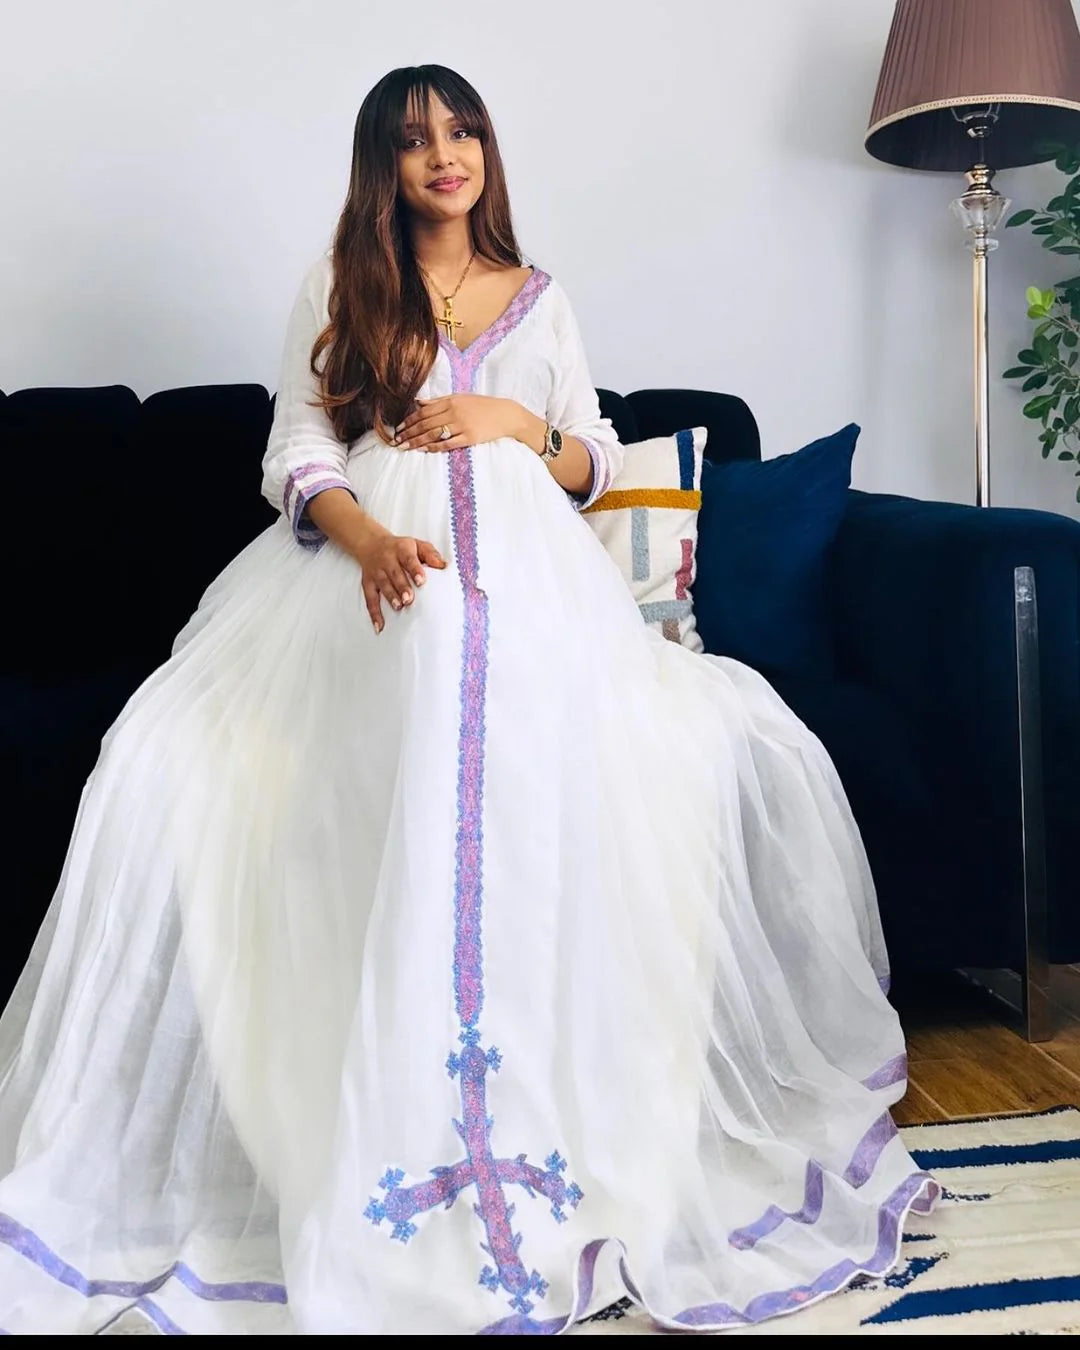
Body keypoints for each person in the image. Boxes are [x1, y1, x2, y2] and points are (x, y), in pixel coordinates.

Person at [0, 65, 937, 1336]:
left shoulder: (541, 297)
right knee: (299, 696)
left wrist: (515, 424)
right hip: (368, 575)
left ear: (487, 148)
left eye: (463, 130)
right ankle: (402, 1108)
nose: (444, 153)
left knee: (570, 726)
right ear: (382, 166)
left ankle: (538, 1102)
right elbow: (297, 449)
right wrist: (369, 542)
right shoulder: (344, 286)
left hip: (536, 582)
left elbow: (592, 456)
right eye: (413, 139)